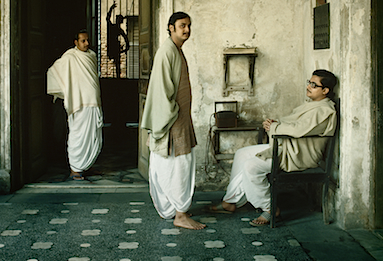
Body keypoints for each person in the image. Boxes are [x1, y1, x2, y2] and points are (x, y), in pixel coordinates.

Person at [212, 69, 338, 226]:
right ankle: (230, 201)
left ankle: (269, 207)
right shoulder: (314, 105)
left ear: (325, 90)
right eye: (309, 82)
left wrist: (275, 127)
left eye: (314, 85)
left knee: (251, 166)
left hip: (299, 155)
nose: (309, 87)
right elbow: (292, 123)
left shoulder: (325, 110)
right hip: (287, 147)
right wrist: (273, 123)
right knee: (242, 154)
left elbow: (298, 130)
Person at [141, 12, 206, 230]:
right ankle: (179, 213)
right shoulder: (167, 52)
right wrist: (172, 115)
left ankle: (176, 209)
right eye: (182, 26)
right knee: (178, 165)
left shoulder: (176, 50)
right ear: (171, 28)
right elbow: (161, 92)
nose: (186, 30)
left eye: (188, 25)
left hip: (179, 119)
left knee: (181, 165)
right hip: (172, 120)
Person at [47, 30, 103, 180]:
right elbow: (53, 71)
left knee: (93, 135)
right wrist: (65, 90)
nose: (86, 43)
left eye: (87, 40)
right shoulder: (70, 57)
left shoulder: (91, 55)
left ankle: (86, 166)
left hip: (93, 101)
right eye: (83, 41)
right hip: (78, 102)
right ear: (76, 42)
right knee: (78, 134)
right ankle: (75, 169)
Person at [106, 1, 130, 78]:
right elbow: (126, 39)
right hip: (114, 46)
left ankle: (117, 78)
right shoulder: (117, 29)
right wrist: (126, 48)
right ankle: (118, 78)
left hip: (113, 46)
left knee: (117, 64)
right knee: (117, 64)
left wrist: (111, 8)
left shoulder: (112, 27)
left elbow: (107, 18)